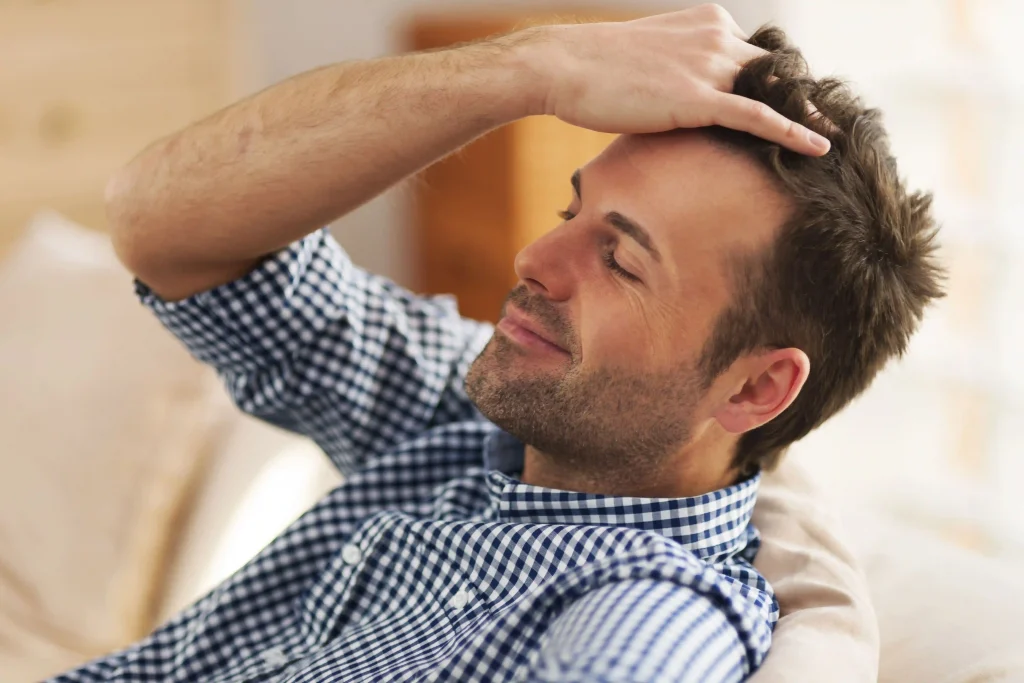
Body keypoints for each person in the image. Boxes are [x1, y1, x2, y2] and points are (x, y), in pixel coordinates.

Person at [53, 5, 943, 682]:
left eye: (622, 260)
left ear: (754, 391)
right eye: (571, 210)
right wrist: (532, 68)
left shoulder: (645, 616)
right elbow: (160, 224)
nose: (534, 258)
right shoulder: (475, 415)